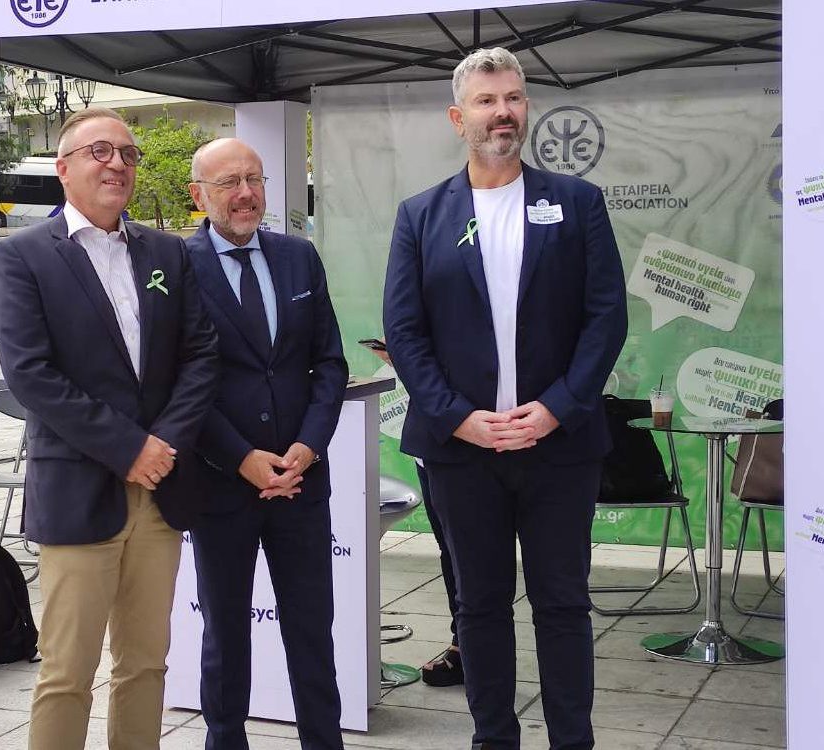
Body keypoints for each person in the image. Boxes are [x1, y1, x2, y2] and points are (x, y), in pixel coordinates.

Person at [382, 48, 627, 750]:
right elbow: (405, 331)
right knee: (479, 606)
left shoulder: (577, 203)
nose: (503, 112)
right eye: (487, 101)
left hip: (559, 448)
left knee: (563, 604)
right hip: (463, 453)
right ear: (458, 118)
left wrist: (555, 408)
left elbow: (605, 317)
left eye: (514, 98)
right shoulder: (421, 215)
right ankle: (493, 739)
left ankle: (571, 740)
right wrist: (457, 418)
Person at [0, 106, 219, 750]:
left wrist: (162, 446)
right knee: (67, 673)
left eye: (127, 153)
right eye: (99, 151)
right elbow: (31, 374)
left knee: (145, 665)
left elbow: (201, 355)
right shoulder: (22, 258)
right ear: (64, 169)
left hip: (162, 491)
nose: (117, 163)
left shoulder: (167, 252)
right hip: (79, 492)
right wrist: (129, 448)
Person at [185, 138, 349, 750]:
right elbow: (180, 383)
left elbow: (328, 363)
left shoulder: (298, 256)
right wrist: (241, 458)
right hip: (221, 484)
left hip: (302, 482)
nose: (245, 193)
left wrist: (309, 445)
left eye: (253, 179)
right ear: (198, 194)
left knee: (312, 630)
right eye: (228, 182)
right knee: (225, 633)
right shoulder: (177, 267)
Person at [365, 342, 464, 687]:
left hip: (470, 438)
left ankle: (471, 650)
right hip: (432, 442)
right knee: (451, 552)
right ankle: (463, 645)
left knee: (467, 557)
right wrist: (404, 357)